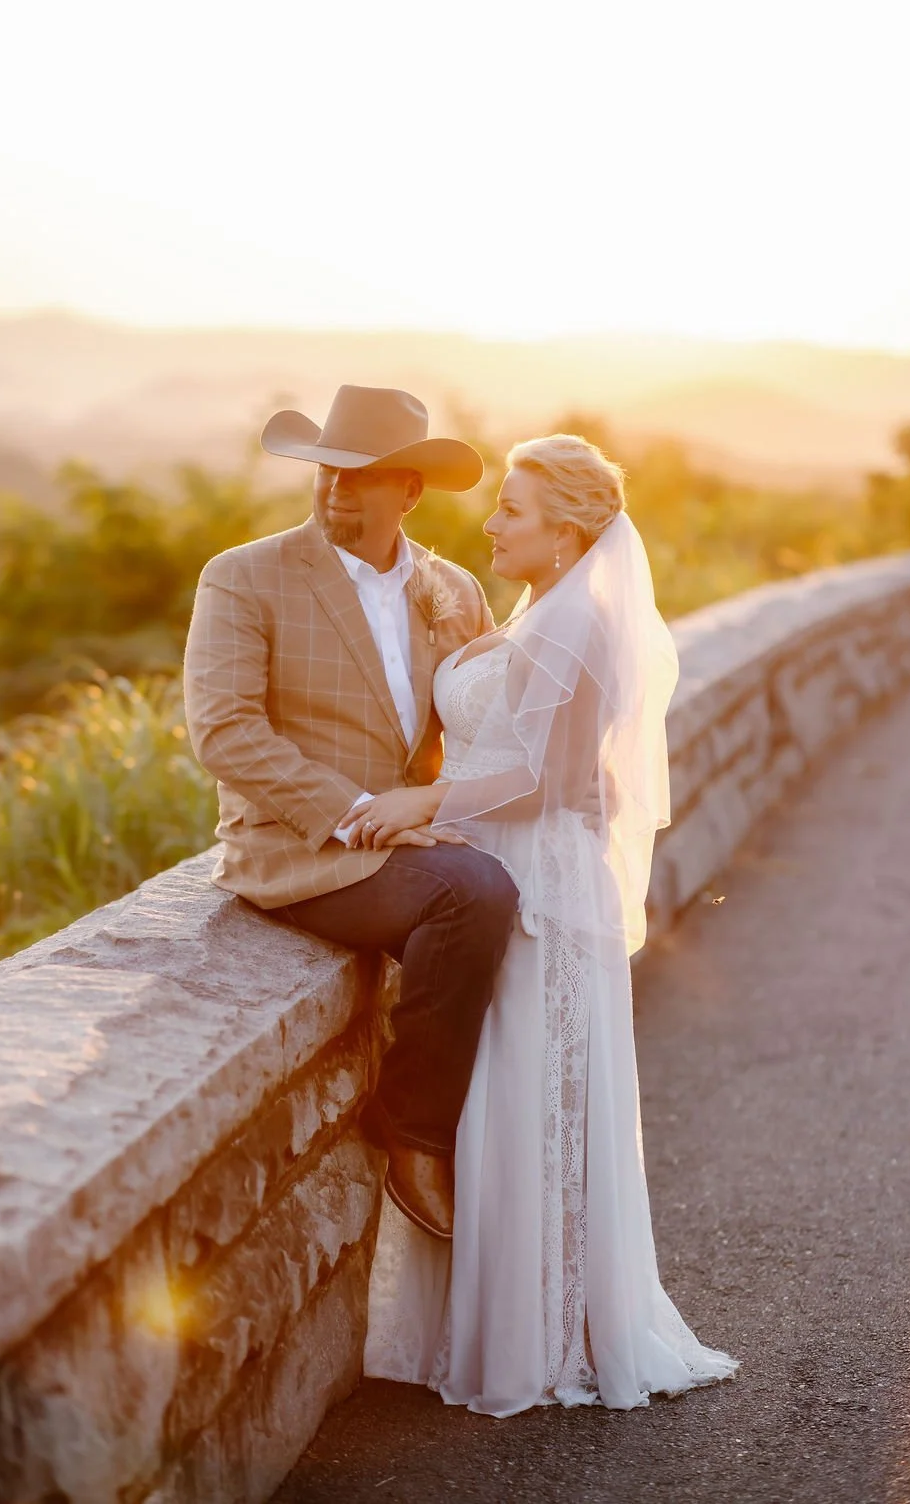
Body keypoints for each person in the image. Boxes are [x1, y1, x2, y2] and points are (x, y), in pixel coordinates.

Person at [354, 434, 739, 1415]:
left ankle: (548, 1333)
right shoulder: (548, 610)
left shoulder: (569, 624)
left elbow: (552, 781)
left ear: (565, 533)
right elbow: (588, 769)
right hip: (509, 870)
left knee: (534, 1096)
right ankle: (523, 1318)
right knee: (513, 1094)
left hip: (535, 885)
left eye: (512, 511)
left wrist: (421, 805)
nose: (490, 522)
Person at [183, 384, 520, 1244]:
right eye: (327, 468)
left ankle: (521, 1154)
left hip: (418, 841)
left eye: (360, 474)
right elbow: (225, 731)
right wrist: (364, 813)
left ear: (408, 491)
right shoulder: (244, 576)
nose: (335, 487)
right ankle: (412, 1133)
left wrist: (438, 811)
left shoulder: (454, 590)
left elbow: (485, 732)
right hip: (298, 851)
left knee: (530, 895)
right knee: (472, 894)